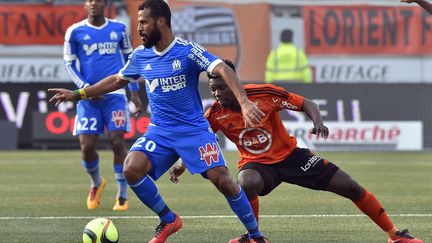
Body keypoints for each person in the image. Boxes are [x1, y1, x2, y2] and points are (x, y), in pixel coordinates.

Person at [50, 1, 268, 242]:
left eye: (144, 22)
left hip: (193, 130)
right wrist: (78, 93)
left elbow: (222, 69)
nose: (139, 28)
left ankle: (255, 236)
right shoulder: (140, 55)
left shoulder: (187, 50)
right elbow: (116, 79)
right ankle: (168, 219)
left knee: (223, 181)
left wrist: (244, 101)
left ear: (161, 22)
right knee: (131, 168)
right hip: (160, 132)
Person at [169, 60, 423, 243]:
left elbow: (306, 103)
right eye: (213, 89)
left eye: (221, 88)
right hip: (257, 165)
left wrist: (318, 122)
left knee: (352, 188)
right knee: (246, 182)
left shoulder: (265, 94)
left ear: (234, 83)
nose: (216, 94)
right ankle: (254, 237)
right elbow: (200, 140)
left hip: (293, 157)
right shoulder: (215, 113)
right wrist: (181, 163)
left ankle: (395, 236)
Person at [63, 0, 144, 211]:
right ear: (84, 4)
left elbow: (130, 59)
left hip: (116, 95)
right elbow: (69, 64)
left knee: (117, 142)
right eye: (89, 0)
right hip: (88, 98)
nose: (93, 4)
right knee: (87, 147)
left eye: (98, 1)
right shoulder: (74, 31)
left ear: (105, 4)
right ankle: (97, 182)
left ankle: (122, 194)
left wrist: (134, 92)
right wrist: (86, 88)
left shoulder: (119, 28)